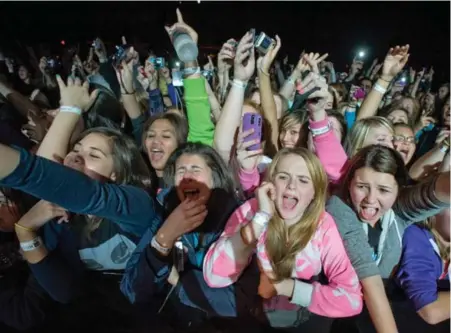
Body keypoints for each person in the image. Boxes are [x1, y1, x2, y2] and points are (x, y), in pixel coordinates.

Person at [204, 148, 362, 332]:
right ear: (270, 183)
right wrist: (259, 220)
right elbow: (214, 276)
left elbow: (352, 300)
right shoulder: (252, 211)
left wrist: (285, 287)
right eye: (283, 177)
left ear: (314, 193)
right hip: (249, 318)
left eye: (303, 180)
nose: (291, 186)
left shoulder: (323, 225)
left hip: (303, 323)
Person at [121, 143, 245, 331]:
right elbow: (132, 289)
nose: (187, 177)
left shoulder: (239, 218)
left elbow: (234, 302)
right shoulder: (165, 214)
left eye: (195, 169)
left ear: (215, 177)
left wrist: (177, 280)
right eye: (181, 171)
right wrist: (164, 238)